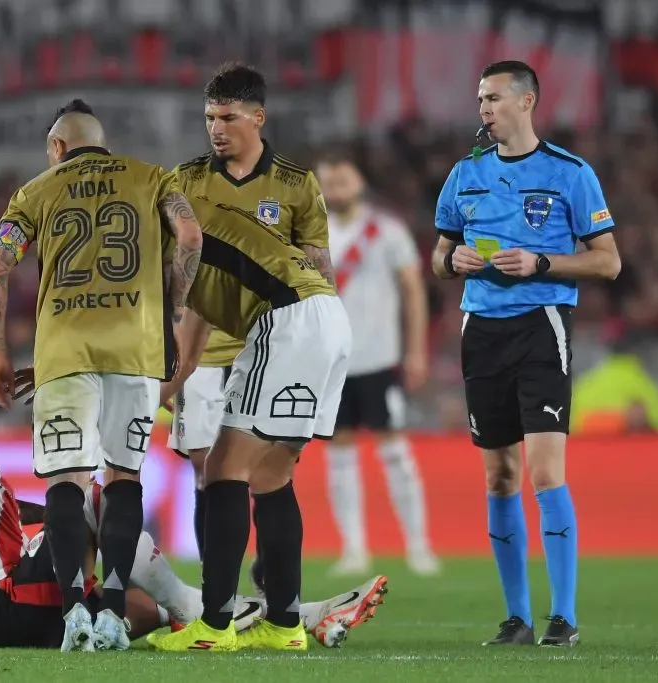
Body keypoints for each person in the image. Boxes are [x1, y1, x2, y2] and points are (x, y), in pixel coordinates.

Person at [0, 346, 389, 649]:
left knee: (145, 610)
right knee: (90, 497)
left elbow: (18, 515)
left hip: (8, 613)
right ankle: (205, 609)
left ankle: (302, 618)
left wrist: (49, 516)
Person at [0, 99, 203, 651]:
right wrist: (175, 316)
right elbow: (191, 237)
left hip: (64, 354)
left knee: (67, 482)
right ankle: (114, 613)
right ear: (102, 143)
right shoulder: (152, 178)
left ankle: (75, 611)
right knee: (123, 478)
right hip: (135, 352)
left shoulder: (36, 191)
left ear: (57, 147)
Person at [432, 61, 621, 647]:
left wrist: (543, 263)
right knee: (499, 476)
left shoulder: (570, 172)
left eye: (493, 98)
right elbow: (439, 254)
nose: (484, 109)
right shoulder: (464, 174)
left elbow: (608, 261)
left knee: (543, 472)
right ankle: (516, 618)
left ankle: (563, 617)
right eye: (480, 99)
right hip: (481, 329)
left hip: (541, 326)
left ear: (526, 101)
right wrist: (452, 261)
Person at [150, 199, 353, 652]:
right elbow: (197, 333)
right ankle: (284, 625)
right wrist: (166, 390)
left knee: (223, 468)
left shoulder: (174, 232)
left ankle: (214, 626)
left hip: (286, 319)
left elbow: (184, 303)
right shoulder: (216, 227)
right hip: (327, 316)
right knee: (271, 476)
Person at [167, 63, 334, 564]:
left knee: (270, 475)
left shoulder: (296, 185)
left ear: (258, 117)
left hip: (274, 350)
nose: (216, 128)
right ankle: (216, 590)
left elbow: (319, 268)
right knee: (206, 471)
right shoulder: (184, 181)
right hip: (202, 350)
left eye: (228, 117)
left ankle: (270, 580)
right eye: (209, 118)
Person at [316, 156, 440, 577]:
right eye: (329, 180)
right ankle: (353, 549)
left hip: (380, 359)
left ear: (360, 182)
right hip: (332, 363)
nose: (336, 186)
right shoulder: (311, 232)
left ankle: (418, 546)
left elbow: (413, 289)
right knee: (340, 456)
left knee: (395, 453)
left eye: (343, 178)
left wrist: (416, 350)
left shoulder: (386, 230)